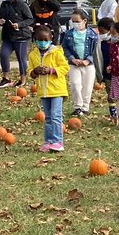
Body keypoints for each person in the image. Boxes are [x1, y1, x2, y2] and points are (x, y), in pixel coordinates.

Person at [28, 24, 69, 152]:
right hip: (43, 91)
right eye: (40, 40)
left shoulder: (56, 52)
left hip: (57, 90)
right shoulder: (33, 54)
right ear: (35, 39)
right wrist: (35, 71)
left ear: (51, 38)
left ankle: (58, 141)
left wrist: (51, 70)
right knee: (48, 117)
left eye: (46, 40)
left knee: (56, 116)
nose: (43, 42)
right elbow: (29, 71)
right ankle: (48, 141)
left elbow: (65, 68)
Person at [60, 9, 99, 117]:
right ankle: (77, 107)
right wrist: (72, 59)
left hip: (88, 65)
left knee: (87, 87)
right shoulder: (68, 34)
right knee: (75, 85)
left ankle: (85, 108)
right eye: (73, 21)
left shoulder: (92, 34)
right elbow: (65, 47)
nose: (75, 23)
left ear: (84, 21)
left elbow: (96, 49)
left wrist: (88, 60)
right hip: (74, 65)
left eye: (77, 21)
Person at [0, 0, 33, 88]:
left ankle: (23, 79)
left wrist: (19, 24)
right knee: (3, 54)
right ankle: (6, 78)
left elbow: (30, 19)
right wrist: (0, 21)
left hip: (21, 36)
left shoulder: (22, 4)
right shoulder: (4, 5)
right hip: (7, 35)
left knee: (21, 58)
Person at [95, 19, 117, 122]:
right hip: (107, 74)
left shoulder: (117, 43)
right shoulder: (100, 43)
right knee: (110, 94)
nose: (100, 34)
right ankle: (113, 114)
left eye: (102, 32)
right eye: (99, 32)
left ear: (110, 30)